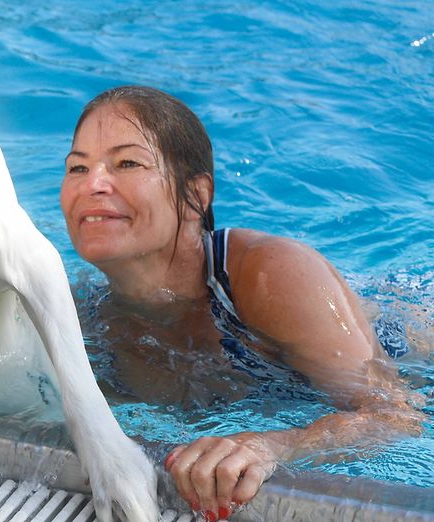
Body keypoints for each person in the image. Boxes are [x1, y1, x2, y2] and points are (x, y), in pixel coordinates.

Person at [59, 85, 424, 521]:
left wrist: (270, 444)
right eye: (77, 168)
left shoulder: (272, 276)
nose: (92, 185)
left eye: (127, 163)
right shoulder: (87, 317)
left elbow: (395, 416)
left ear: (196, 195)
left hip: (404, 340)